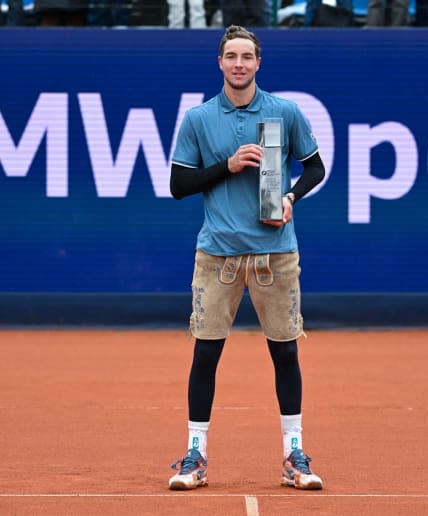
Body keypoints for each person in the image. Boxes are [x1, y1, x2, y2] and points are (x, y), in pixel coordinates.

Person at [167, 25, 326, 491]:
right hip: (217, 255)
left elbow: (314, 165)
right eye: (231, 56)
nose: (239, 64)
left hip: (276, 254)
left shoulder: (285, 111)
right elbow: (179, 186)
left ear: (259, 63)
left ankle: (294, 454)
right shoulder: (198, 119)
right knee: (205, 354)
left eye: (247, 57)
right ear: (220, 62)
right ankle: (194, 456)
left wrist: (293, 195)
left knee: (285, 353)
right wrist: (229, 166)